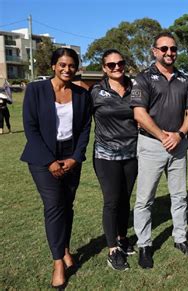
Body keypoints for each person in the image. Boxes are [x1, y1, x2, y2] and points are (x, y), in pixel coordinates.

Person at [20, 48, 92, 288]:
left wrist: (75, 158)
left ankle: (65, 248)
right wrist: (50, 161)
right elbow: (31, 128)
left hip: (70, 157)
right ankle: (58, 261)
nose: (66, 69)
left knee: (67, 205)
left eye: (71, 65)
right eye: (62, 64)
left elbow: (84, 129)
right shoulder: (35, 90)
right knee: (53, 206)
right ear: (53, 65)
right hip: (43, 157)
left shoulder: (82, 94)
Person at [131, 31, 188, 269]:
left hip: (178, 144)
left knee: (179, 196)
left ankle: (180, 238)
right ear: (154, 51)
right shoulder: (143, 78)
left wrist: (179, 134)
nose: (169, 53)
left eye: (173, 49)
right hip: (152, 144)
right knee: (145, 199)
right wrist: (162, 136)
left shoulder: (184, 79)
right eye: (164, 49)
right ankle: (144, 244)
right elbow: (139, 113)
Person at [90, 49, 138, 271]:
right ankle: (112, 250)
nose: (117, 67)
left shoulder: (135, 88)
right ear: (104, 68)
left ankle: (121, 237)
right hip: (105, 154)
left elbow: (144, 112)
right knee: (111, 200)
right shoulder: (96, 92)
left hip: (131, 153)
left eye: (120, 63)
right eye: (111, 65)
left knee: (125, 198)